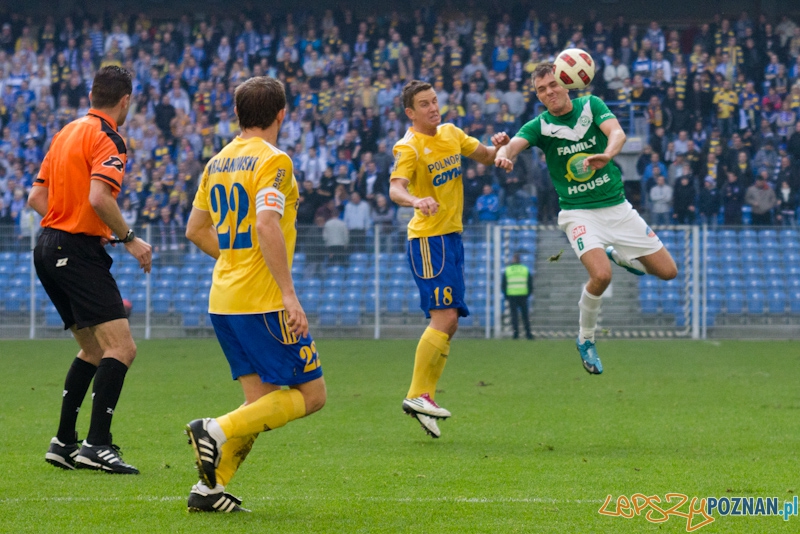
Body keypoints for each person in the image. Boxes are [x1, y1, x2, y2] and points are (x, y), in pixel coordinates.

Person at [183, 77, 326, 513]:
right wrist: (289, 294)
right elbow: (266, 224)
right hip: (262, 301)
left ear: (238, 114)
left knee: (260, 403)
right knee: (312, 394)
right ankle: (215, 428)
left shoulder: (218, 161)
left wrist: (232, 260)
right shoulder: (274, 160)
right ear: (281, 113)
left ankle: (211, 488)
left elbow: (195, 230)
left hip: (223, 300)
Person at [495, 63, 677, 375]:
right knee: (601, 275)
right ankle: (586, 339)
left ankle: (616, 252)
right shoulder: (540, 126)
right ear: (538, 96)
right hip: (578, 213)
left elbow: (617, 133)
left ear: (567, 82)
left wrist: (607, 154)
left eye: (553, 84)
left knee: (668, 272)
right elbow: (514, 144)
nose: (549, 92)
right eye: (541, 89)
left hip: (618, 208)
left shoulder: (591, 105)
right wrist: (502, 152)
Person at [27, 66, 152, 474]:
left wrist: (67, 220)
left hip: (47, 246)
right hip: (74, 250)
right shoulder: (108, 137)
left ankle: (64, 442)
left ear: (92, 94)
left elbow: (36, 196)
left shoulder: (66, 132)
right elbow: (99, 197)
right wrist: (129, 238)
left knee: (95, 350)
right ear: (125, 101)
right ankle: (97, 444)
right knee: (122, 348)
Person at [388, 80, 509, 439]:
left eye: (435, 101)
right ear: (410, 112)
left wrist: (497, 148)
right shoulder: (408, 146)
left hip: (452, 238)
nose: (433, 108)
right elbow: (396, 187)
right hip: (428, 240)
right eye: (424, 104)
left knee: (451, 321)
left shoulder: (452, 133)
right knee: (445, 317)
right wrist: (415, 201)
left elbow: (484, 156)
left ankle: (422, 397)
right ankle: (418, 395)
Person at [502, 253, 534, 340]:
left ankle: (516, 334)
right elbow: (530, 284)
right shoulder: (525, 269)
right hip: (523, 295)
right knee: (525, 316)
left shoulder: (508, 270)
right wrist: (528, 294)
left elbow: (503, 285)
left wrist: (506, 295)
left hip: (512, 296)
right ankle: (528, 334)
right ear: (520, 260)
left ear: (513, 260)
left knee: (514, 316)